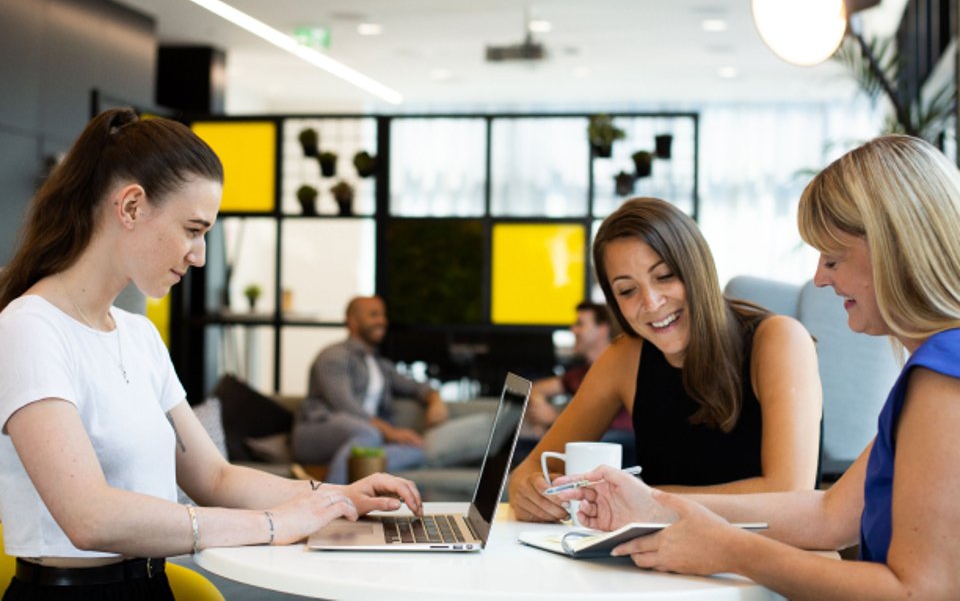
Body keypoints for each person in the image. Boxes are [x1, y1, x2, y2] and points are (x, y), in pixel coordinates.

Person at [0, 109, 422, 601]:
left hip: (151, 586)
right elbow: (89, 516)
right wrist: (272, 524)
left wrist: (336, 498)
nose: (199, 255)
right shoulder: (28, 329)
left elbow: (214, 476)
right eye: (192, 229)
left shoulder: (137, 335)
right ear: (132, 206)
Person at [559, 134, 960, 599]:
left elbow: (922, 593)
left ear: (895, 252)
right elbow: (829, 515)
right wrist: (654, 505)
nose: (819, 278)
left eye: (833, 257)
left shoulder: (942, 377)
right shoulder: (932, 371)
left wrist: (729, 549)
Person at [508, 197, 822, 522]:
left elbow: (791, 494)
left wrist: (647, 500)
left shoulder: (779, 340)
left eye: (665, 276)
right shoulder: (624, 358)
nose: (652, 302)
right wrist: (527, 491)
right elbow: (530, 469)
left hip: (763, 561)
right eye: (628, 291)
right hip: (661, 561)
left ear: (696, 269)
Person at [293, 295, 488, 484]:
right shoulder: (333, 356)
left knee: (416, 450)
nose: (382, 321)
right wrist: (390, 432)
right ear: (352, 321)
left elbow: (416, 386)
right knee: (369, 435)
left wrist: (435, 399)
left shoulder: (381, 366)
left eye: (383, 315)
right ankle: (331, 498)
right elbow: (345, 406)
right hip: (316, 431)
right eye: (374, 315)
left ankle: (341, 473)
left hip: (364, 438)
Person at [514, 302, 633, 464]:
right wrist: (541, 409)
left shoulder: (620, 368)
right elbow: (537, 388)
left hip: (616, 444)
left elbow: (603, 423)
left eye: (580, 324)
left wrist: (554, 418)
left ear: (603, 329)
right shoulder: (580, 374)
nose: (573, 330)